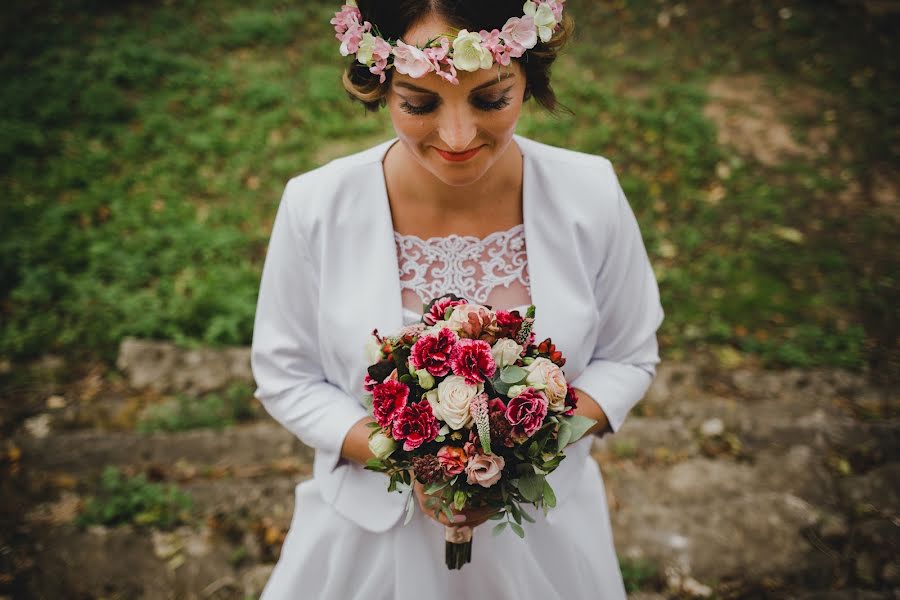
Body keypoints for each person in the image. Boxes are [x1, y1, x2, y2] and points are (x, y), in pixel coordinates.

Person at [250, 1, 664, 598]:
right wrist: (411, 461)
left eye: (491, 99)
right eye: (418, 104)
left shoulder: (590, 193)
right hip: (364, 548)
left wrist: (523, 450)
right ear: (382, 87)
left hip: (547, 547)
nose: (458, 136)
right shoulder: (315, 206)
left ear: (530, 77)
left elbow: (628, 356)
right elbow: (285, 375)